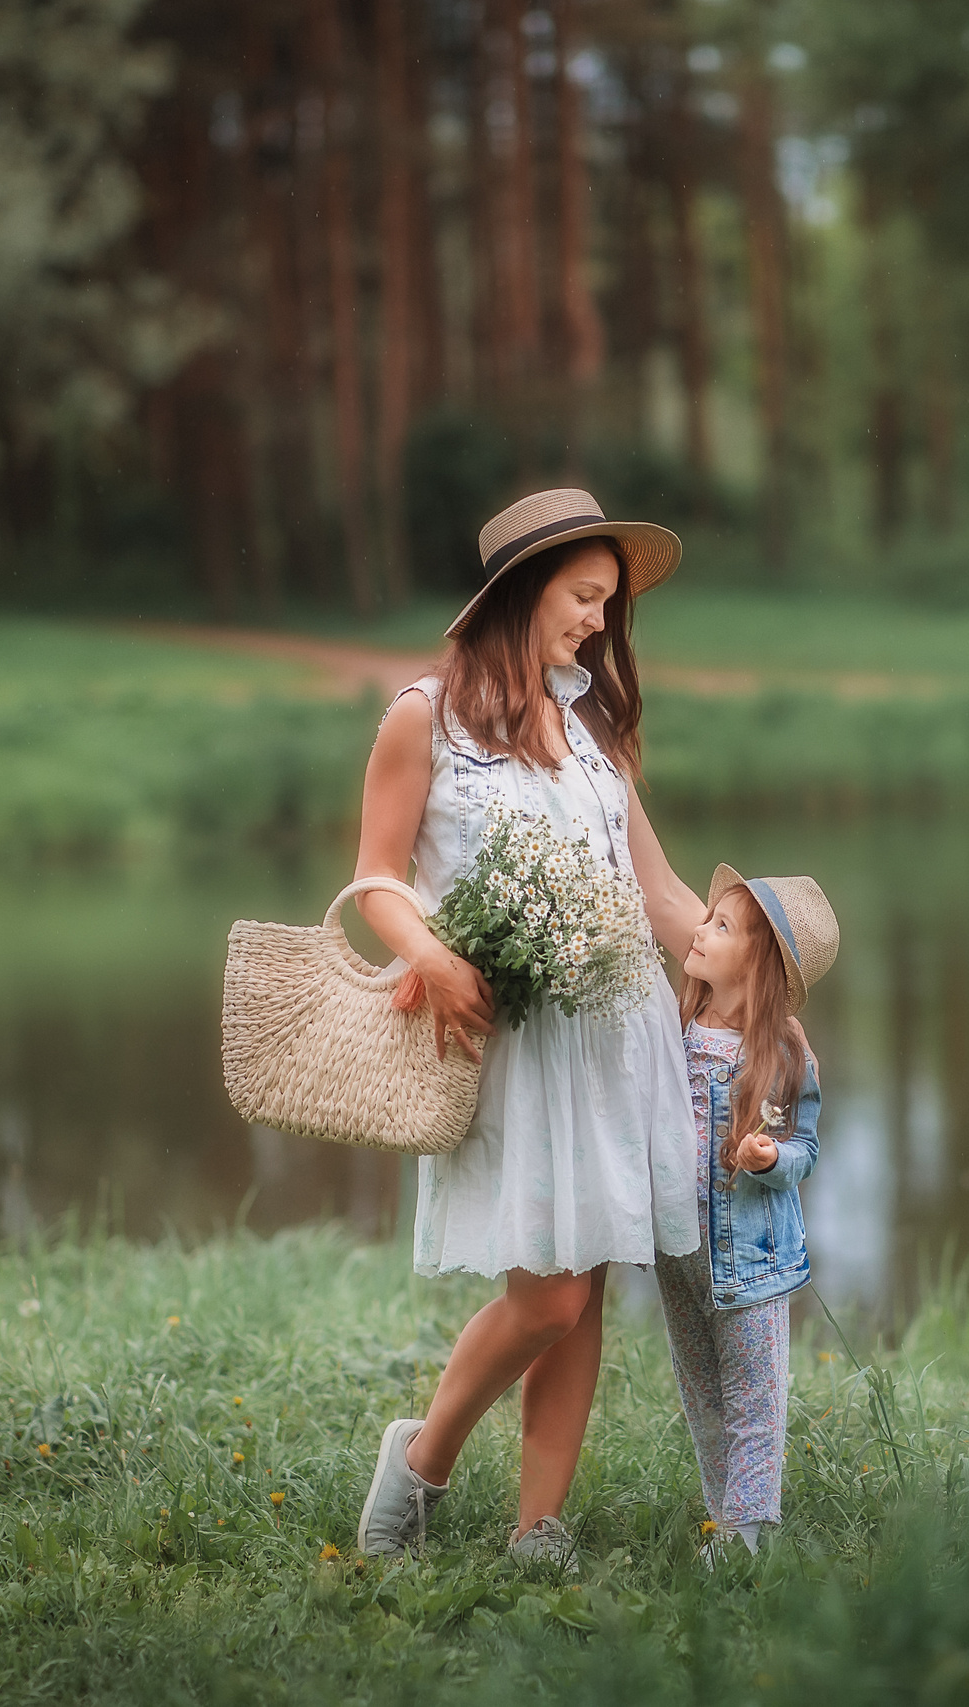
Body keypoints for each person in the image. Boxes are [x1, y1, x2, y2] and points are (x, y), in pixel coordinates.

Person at [349, 489, 708, 1571]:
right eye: (584, 596)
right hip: (518, 1043)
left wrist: (752, 974)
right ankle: (420, 1461)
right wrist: (430, 955)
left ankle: (537, 1528)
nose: (600, 620)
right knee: (546, 1295)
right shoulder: (424, 717)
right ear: (521, 593)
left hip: (619, 1032)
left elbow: (656, 893)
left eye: (607, 601)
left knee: (585, 1275)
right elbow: (375, 876)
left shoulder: (588, 731)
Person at [657, 865, 838, 1561]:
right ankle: (722, 1519)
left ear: (758, 966)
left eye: (721, 926)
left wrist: (770, 1159)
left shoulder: (782, 1054)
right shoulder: (676, 1026)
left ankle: (749, 1534)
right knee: (702, 1390)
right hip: (678, 1252)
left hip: (753, 1259)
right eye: (708, 918)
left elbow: (806, 1148)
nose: (698, 931)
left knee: (755, 1395)